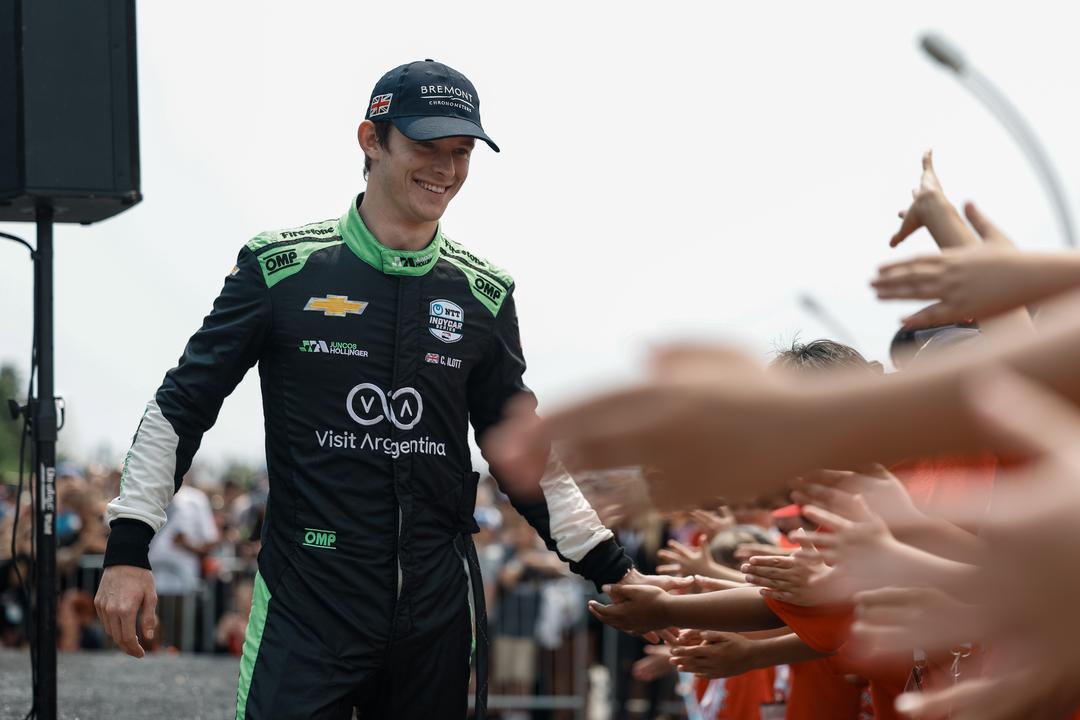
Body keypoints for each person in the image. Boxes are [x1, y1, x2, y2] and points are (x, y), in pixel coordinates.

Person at [94, 60, 679, 719]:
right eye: (428, 147)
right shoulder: (279, 268)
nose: (447, 170)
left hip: (433, 613)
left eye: (462, 152)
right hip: (307, 606)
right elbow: (180, 407)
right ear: (371, 140)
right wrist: (126, 550)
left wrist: (614, 568)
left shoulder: (483, 293)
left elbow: (524, 456)